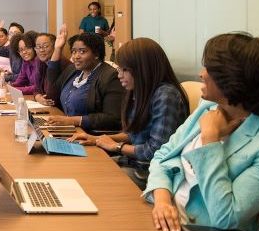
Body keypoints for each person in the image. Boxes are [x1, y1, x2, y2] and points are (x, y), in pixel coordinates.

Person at [143, 33, 259, 231]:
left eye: (209, 68)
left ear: (235, 80)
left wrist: (210, 140)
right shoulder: (209, 107)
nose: (201, 74)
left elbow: (226, 217)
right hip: (162, 214)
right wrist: (162, 199)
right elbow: (163, 155)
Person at [68, 38, 189, 189]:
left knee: (92, 181)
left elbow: (155, 151)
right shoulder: (141, 91)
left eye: (124, 70)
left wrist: (116, 146)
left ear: (143, 69)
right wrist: (97, 139)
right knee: (81, 170)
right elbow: (135, 134)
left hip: (151, 173)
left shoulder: (166, 95)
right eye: (119, 69)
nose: (119, 75)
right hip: (133, 163)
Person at [45, 27, 124, 132]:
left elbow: (113, 119)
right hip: (69, 130)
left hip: (91, 137)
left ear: (96, 54)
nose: (76, 56)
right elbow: (52, 87)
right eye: (73, 52)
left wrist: (75, 121)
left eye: (82, 51)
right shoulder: (73, 70)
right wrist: (58, 49)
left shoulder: (110, 77)